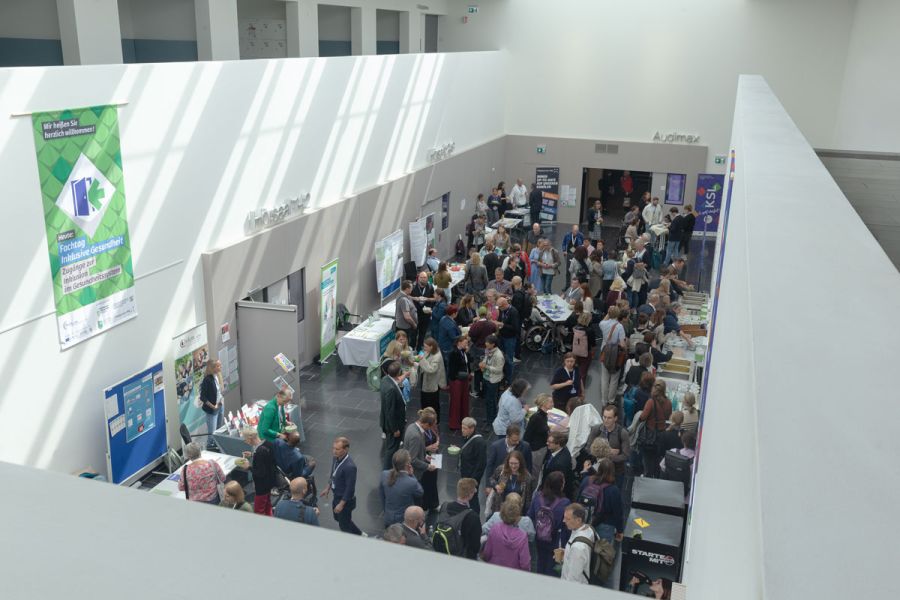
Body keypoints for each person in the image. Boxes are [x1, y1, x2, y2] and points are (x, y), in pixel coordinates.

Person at [527, 471, 571, 576]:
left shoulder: (538, 497)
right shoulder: (565, 503)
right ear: (560, 485)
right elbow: (565, 526)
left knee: (540, 564)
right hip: (555, 541)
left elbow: (529, 516)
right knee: (553, 570)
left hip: (538, 538)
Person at [481, 493, 531, 571]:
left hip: (494, 570)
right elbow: (525, 564)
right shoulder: (522, 536)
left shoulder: (494, 528)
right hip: (513, 574)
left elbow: (487, 554)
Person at [434, 478, 481, 559]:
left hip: (441, 552)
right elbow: (475, 546)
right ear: (470, 494)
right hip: (460, 558)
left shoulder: (444, 506)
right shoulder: (473, 516)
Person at [324, 436, 362, 535]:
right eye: (333, 448)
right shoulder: (335, 458)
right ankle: (359, 534)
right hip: (336, 495)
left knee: (344, 526)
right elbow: (333, 472)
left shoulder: (350, 467)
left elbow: (350, 488)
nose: (334, 451)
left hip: (344, 501)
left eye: (337, 449)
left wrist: (341, 504)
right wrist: (328, 486)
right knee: (339, 518)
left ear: (346, 449)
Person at [380, 449, 424, 527]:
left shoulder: (384, 474)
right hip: (402, 521)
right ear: (407, 464)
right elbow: (420, 492)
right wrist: (412, 475)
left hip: (388, 517)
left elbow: (382, 496)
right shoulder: (411, 482)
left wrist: (386, 511)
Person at [639, 380, 673, 478]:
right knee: (657, 459)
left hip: (650, 435)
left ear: (654, 388)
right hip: (662, 435)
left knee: (647, 459)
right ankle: (656, 477)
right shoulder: (668, 402)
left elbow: (642, 417)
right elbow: (668, 417)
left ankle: (647, 476)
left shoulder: (651, 402)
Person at [487, 450, 536, 515]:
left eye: (516, 463)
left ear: (520, 463)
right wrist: (496, 486)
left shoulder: (527, 477)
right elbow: (491, 479)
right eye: (511, 463)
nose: (513, 466)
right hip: (500, 508)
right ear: (507, 462)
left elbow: (528, 499)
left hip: (518, 511)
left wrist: (525, 514)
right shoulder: (501, 470)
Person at [242, 427, 276, 515]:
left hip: (262, 486)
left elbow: (260, 473)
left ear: (249, 439)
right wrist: (253, 454)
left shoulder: (259, 453)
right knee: (268, 505)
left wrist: (248, 467)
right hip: (270, 481)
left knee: (258, 511)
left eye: (245, 440)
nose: (245, 442)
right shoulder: (268, 443)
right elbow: (267, 459)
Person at [558, 503, 595, 584]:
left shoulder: (578, 547)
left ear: (578, 520)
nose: (564, 521)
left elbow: (573, 579)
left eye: (567, 519)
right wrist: (566, 553)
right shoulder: (589, 529)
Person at [379, 361, 407, 470]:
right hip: (393, 424)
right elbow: (390, 411)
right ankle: (386, 471)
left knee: (390, 447)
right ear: (398, 372)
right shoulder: (391, 389)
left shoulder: (385, 380)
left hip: (388, 421)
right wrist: (395, 429)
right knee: (391, 449)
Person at [598, 306, 627, 406]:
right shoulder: (619, 327)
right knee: (614, 378)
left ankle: (603, 400)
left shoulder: (602, 324)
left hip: (605, 352)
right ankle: (611, 399)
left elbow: (604, 319)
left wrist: (609, 313)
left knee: (604, 378)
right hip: (616, 354)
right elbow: (622, 344)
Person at [458, 417, 487, 514]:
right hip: (466, 472)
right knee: (466, 496)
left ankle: (475, 516)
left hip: (472, 477)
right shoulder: (467, 436)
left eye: (465, 428)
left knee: (473, 499)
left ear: (472, 428)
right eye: (462, 428)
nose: (462, 430)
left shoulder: (479, 442)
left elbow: (481, 464)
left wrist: (473, 481)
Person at [467, 306, 496, 398]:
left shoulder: (475, 325)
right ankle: (485, 390)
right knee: (486, 370)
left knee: (477, 370)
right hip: (488, 350)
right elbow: (494, 332)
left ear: (479, 314)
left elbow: (470, 335)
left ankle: (477, 390)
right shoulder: (491, 324)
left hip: (478, 350)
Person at [447, 335, 472, 431]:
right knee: (456, 401)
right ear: (459, 343)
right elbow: (452, 370)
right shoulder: (454, 353)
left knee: (464, 399)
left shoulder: (463, 352)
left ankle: (462, 418)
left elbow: (468, 362)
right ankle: (454, 423)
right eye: (465, 343)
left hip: (463, 379)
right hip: (457, 381)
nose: (466, 344)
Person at [480, 334, 505, 430]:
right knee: (488, 400)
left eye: (488, 343)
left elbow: (499, 369)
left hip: (493, 380)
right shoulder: (489, 351)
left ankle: (491, 422)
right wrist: (483, 364)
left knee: (491, 401)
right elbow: (486, 359)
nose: (486, 344)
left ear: (493, 344)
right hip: (487, 377)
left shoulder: (498, 355)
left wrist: (486, 367)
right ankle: (490, 417)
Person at [524, 394, 553, 475]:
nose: (552, 403)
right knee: (534, 472)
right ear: (544, 403)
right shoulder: (536, 418)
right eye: (550, 402)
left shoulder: (543, 416)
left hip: (540, 448)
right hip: (536, 450)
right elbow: (527, 435)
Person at [418, 337, 446, 419]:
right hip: (426, 381)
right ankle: (425, 418)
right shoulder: (429, 351)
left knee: (432, 403)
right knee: (425, 401)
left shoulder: (437, 356)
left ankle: (434, 420)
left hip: (432, 383)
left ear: (431, 347)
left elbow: (431, 369)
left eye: (426, 347)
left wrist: (422, 360)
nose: (424, 349)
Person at [541, 431, 575, 498]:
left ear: (558, 444)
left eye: (550, 442)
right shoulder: (556, 449)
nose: (547, 443)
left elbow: (556, 484)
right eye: (547, 441)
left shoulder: (560, 464)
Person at [199, 359, 225, 448]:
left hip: (220, 406)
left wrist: (221, 400)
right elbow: (202, 397)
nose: (220, 367)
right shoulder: (207, 380)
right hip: (212, 409)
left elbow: (219, 391)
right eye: (218, 366)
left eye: (220, 365)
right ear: (212, 368)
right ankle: (210, 449)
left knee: (219, 430)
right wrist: (213, 406)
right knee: (212, 434)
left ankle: (217, 448)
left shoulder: (218, 376)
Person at [494, 296, 520, 383]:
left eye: (500, 307)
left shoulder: (513, 312)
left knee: (509, 359)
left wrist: (503, 325)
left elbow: (515, 328)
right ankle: (503, 375)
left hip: (510, 339)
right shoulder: (502, 310)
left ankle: (508, 379)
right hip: (502, 337)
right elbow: (500, 319)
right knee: (502, 357)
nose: (499, 309)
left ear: (504, 304)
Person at [411, 271, 435, 350]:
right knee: (414, 334)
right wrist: (416, 298)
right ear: (418, 278)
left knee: (422, 333)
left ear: (427, 279)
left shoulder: (430, 287)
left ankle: (419, 349)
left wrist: (427, 299)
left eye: (425, 278)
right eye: (421, 277)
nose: (423, 279)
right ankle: (412, 348)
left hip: (426, 314)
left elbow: (435, 298)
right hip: (415, 314)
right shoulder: (413, 287)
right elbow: (407, 297)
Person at [572, 312, 596, 389]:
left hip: (575, 352)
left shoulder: (575, 328)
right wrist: (593, 353)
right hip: (585, 353)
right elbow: (593, 344)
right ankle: (580, 389)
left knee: (576, 369)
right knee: (583, 372)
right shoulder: (589, 330)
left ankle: (573, 385)